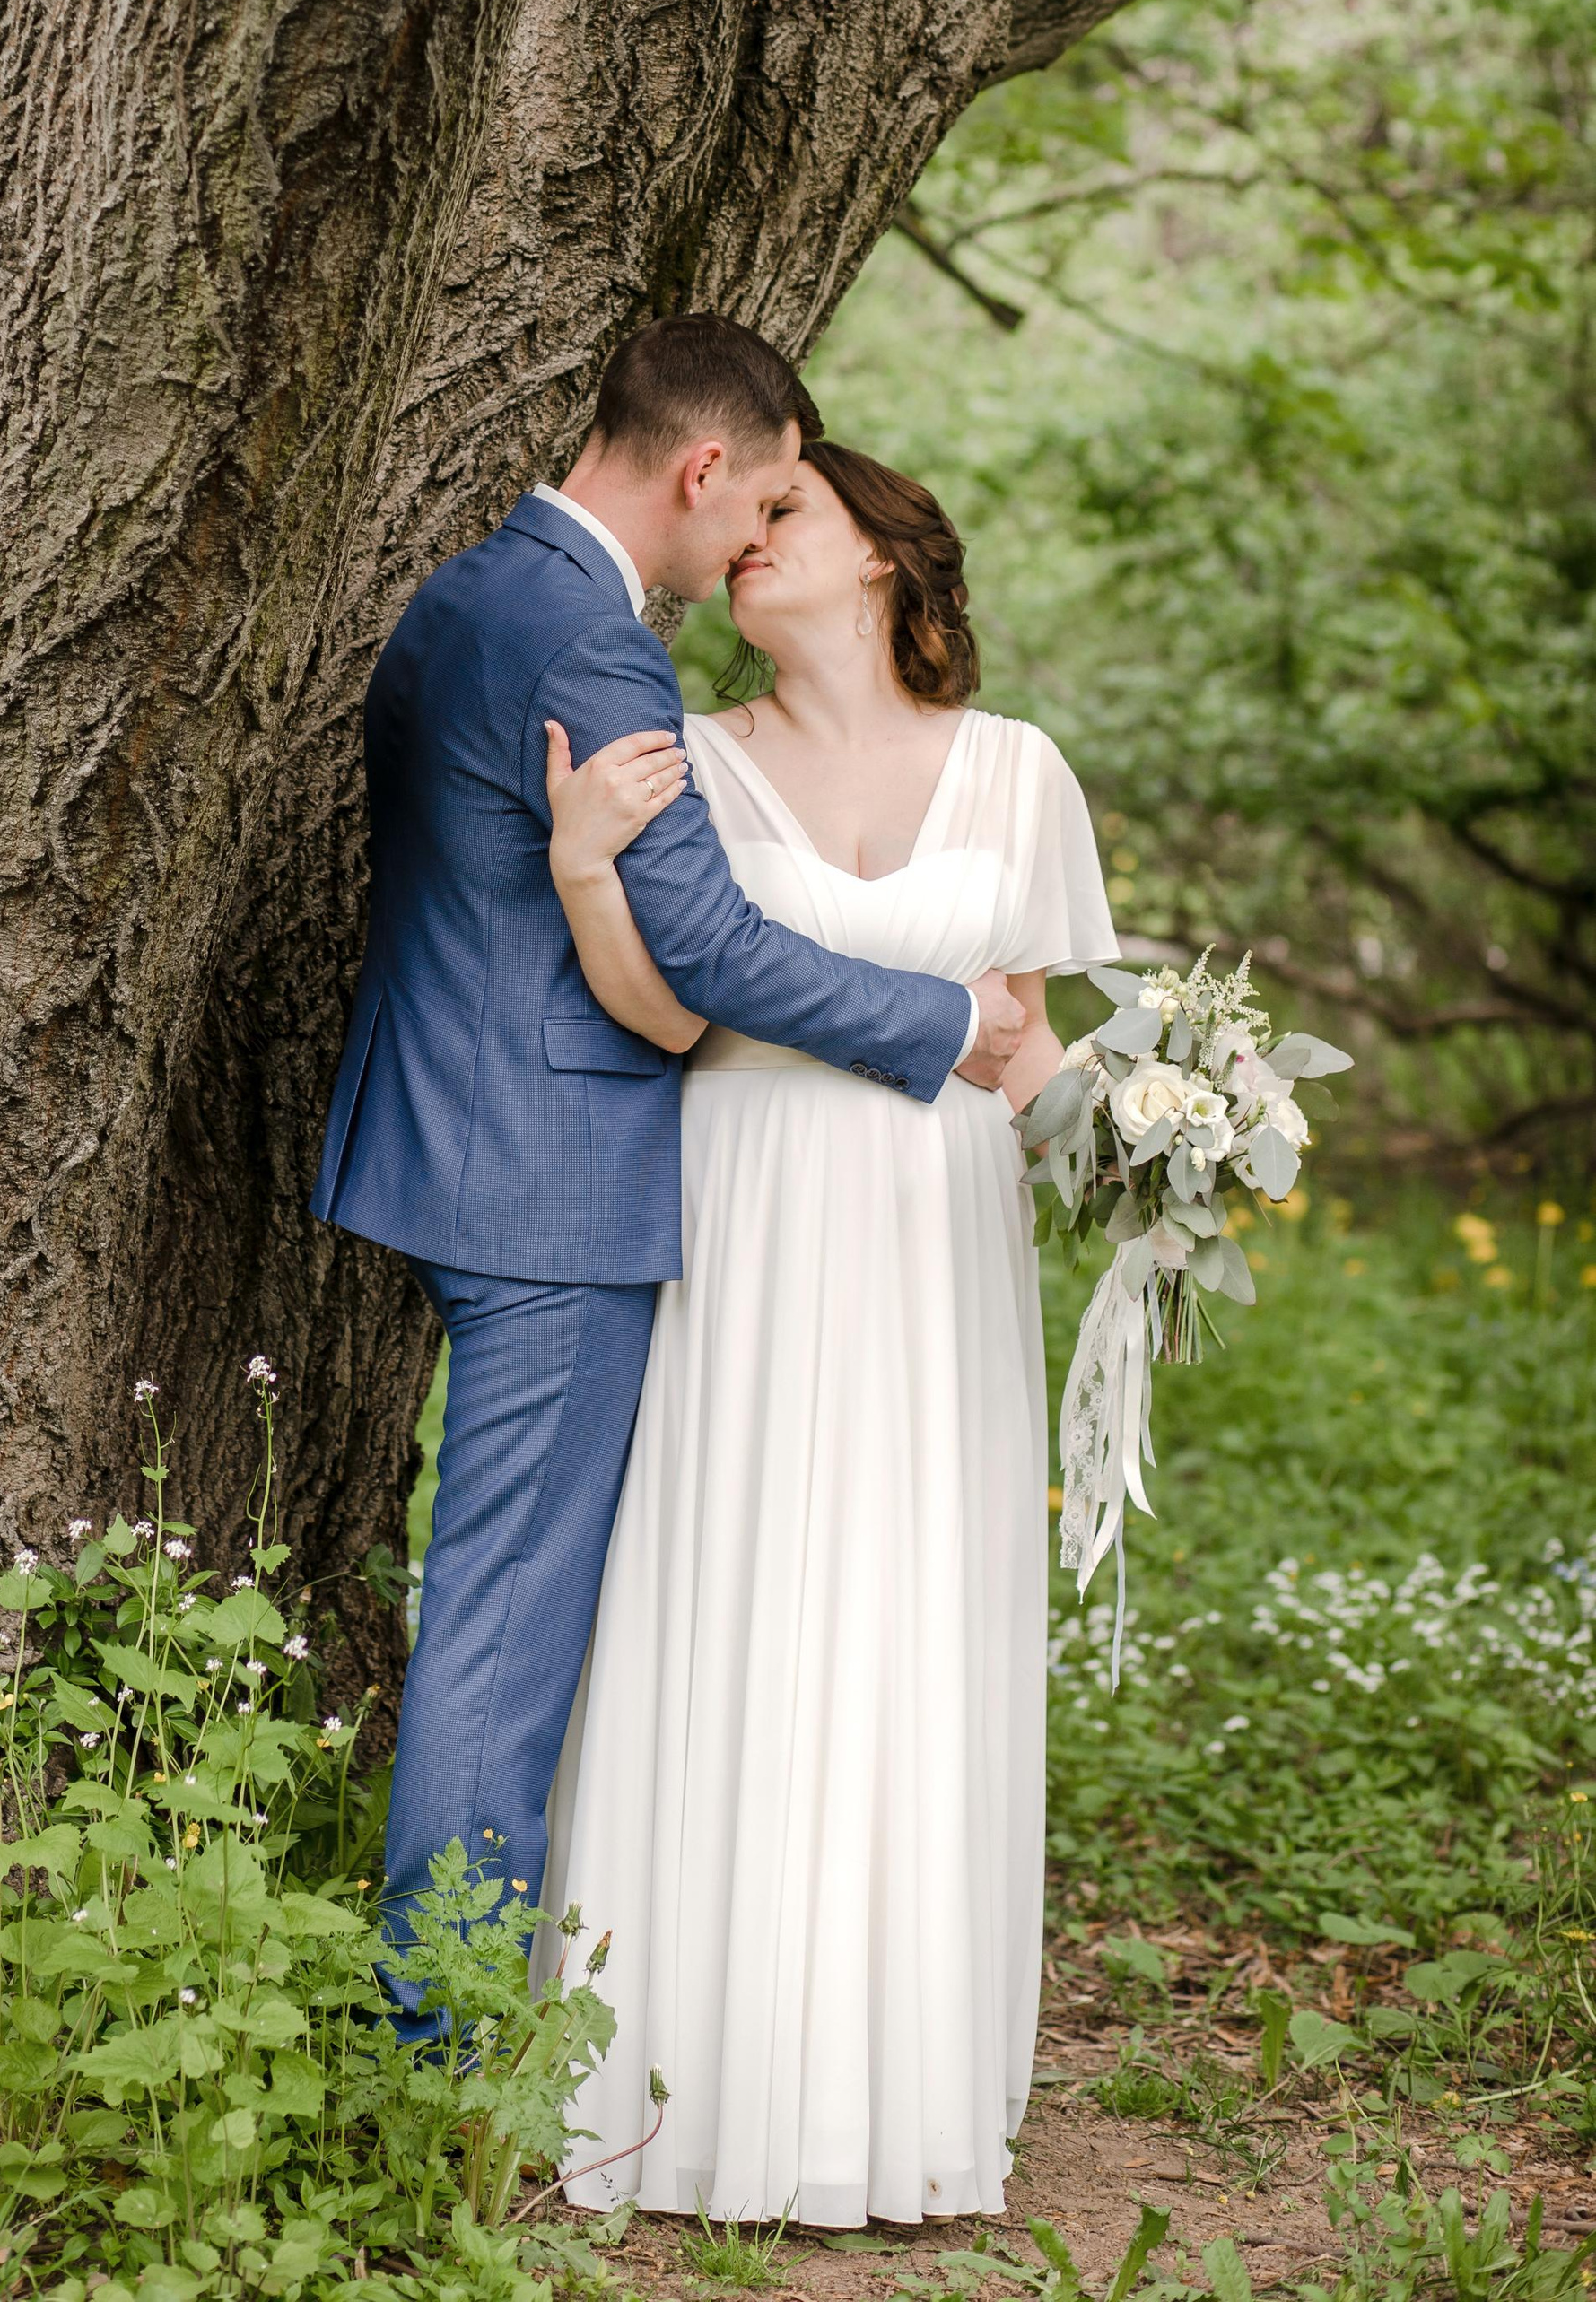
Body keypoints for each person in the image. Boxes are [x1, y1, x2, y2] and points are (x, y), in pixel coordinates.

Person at [309, 318, 1026, 2031]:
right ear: (703, 468)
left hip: (447, 1129)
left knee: (496, 1606)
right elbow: (705, 946)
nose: (755, 539)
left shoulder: (471, 590)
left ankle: (453, 2016)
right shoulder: (598, 647)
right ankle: (438, 2045)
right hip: (548, 1179)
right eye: (762, 500)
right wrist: (944, 1022)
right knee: (503, 1632)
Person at [536, 436, 1118, 2228]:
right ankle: (682, 2087)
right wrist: (584, 870)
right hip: (747, 1211)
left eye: (786, 511)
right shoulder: (687, 757)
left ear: (882, 553)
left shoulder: (1015, 771)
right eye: (741, 516)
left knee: (907, 1608)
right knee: (735, 1582)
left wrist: (1161, 1143)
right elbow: (663, 1016)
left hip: (938, 1240)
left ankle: (887, 2097)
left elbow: (1023, 1042)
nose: (745, 539)